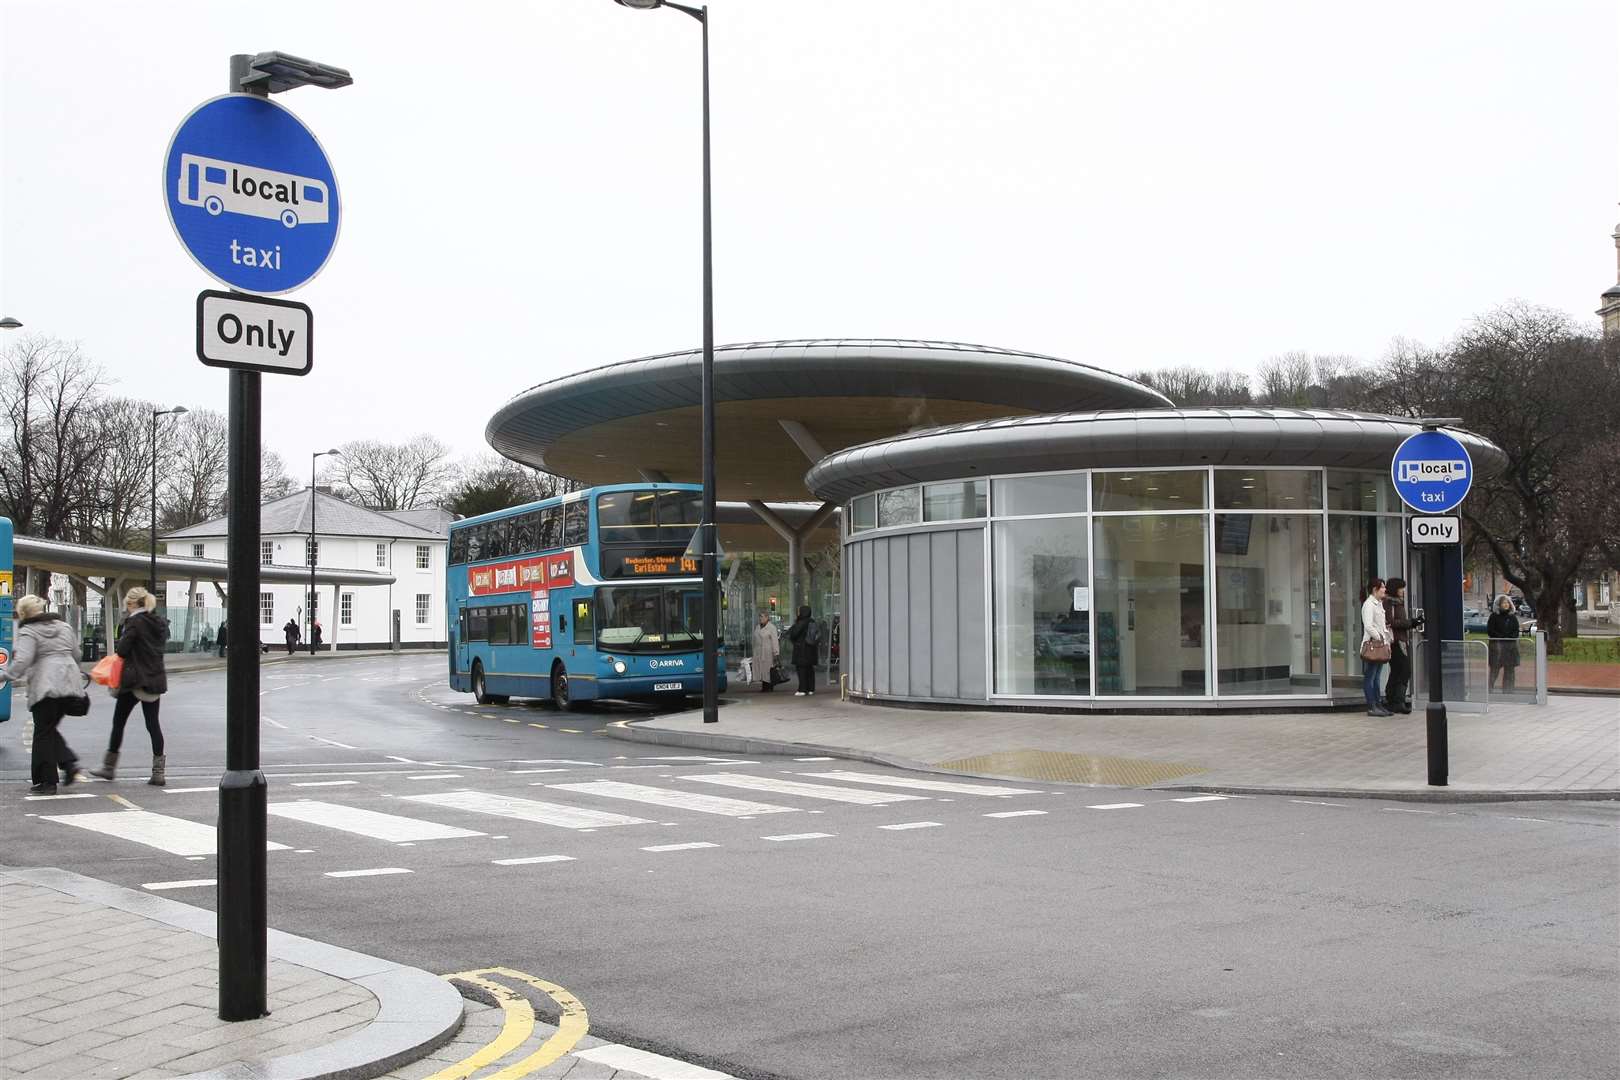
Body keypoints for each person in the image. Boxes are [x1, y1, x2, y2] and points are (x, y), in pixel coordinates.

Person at [0, 595, 86, 794]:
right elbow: (77, 654)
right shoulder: (64, 627)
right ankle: (68, 763)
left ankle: (47, 782)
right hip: (69, 683)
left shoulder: (28, 631)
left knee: (42, 733)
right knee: (48, 729)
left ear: (23, 613)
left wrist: (6, 676)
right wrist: (71, 672)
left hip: (46, 685)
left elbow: (23, 661)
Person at [90, 587, 170, 786]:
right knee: (153, 725)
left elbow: (123, 650)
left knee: (119, 722)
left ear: (132, 603)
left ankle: (109, 767)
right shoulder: (159, 623)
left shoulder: (134, 622)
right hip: (154, 679)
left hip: (134, 679)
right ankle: (158, 772)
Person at [1381, 577, 1422, 714]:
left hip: (1402, 640)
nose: (1403, 591)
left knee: (1399, 670)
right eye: (1401, 588)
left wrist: (1413, 622)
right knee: (1403, 670)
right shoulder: (1389, 603)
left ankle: (1395, 700)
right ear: (1395, 589)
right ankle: (1396, 701)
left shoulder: (1397, 603)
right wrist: (1410, 622)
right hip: (1395, 641)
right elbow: (1390, 622)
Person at [1360, 578, 1392, 717]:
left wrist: (1386, 641)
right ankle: (1372, 706)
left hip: (1380, 644)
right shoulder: (1369, 605)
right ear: (1375, 589)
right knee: (1371, 676)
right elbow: (1368, 626)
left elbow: (1381, 625)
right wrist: (1379, 638)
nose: (1385, 590)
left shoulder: (1378, 604)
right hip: (1373, 645)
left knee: (1377, 676)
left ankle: (1378, 704)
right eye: (1382, 587)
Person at [1486, 595, 1521, 691]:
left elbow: (1516, 631)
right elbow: (1490, 631)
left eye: (1507, 603)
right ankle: (1489, 689)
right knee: (1495, 670)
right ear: (1499, 604)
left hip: (1510, 648)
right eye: (1503, 603)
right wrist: (1501, 638)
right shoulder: (1494, 616)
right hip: (1497, 648)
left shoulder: (1512, 617)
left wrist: (1510, 638)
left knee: (1509, 671)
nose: (1506, 605)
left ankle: (1508, 690)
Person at [787, 605, 818, 696]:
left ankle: (802, 689)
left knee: (801, 670)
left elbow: (794, 634)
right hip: (811, 650)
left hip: (802, 650)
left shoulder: (801, 622)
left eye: (799, 611)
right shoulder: (812, 621)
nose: (798, 613)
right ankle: (810, 689)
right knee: (809, 670)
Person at [751, 611, 779, 692]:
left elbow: (775, 641)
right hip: (758, 651)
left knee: (767, 669)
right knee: (761, 669)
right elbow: (754, 640)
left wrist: (776, 652)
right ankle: (764, 686)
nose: (761, 618)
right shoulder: (757, 627)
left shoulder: (772, 627)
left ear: (767, 618)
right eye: (760, 616)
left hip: (768, 652)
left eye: (762, 616)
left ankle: (769, 686)